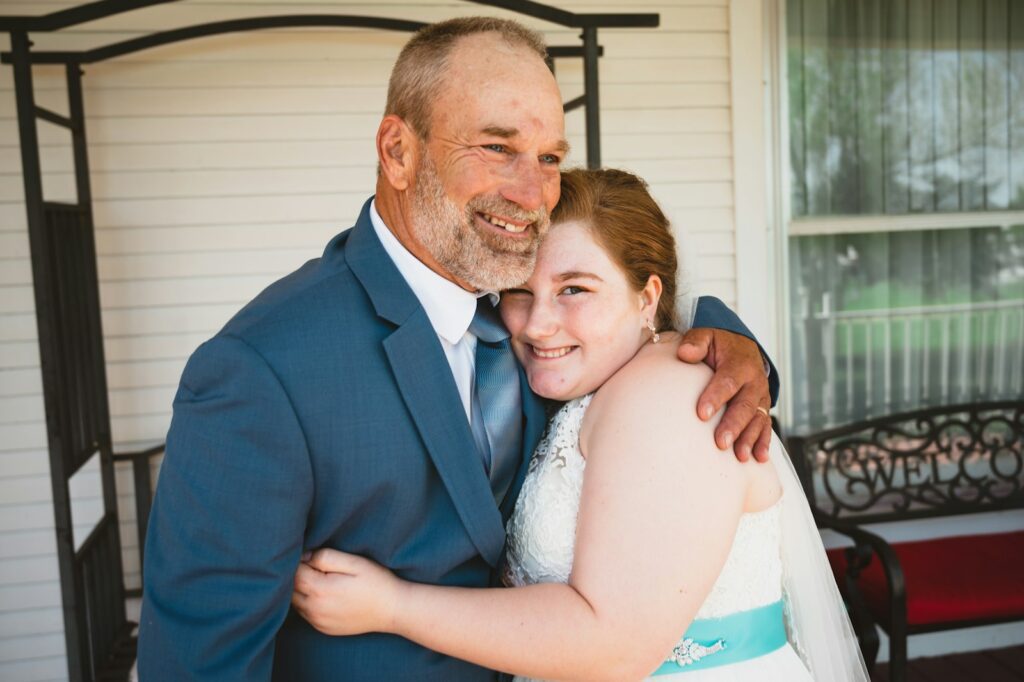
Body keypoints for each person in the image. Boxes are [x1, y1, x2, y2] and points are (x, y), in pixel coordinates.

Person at [137, 18, 779, 681]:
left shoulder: (527, 314)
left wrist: (735, 347)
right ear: (397, 151)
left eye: (549, 158)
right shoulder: (262, 371)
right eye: (497, 146)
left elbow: (629, 335)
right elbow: (199, 665)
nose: (533, 195)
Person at [292, 169, 868, 682]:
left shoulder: (673, 392)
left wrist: (391, 607)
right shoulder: (570, 383)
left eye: (574, 289)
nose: (539, 324)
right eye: (520, 292)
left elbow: (613, 645)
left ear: (648, 298)